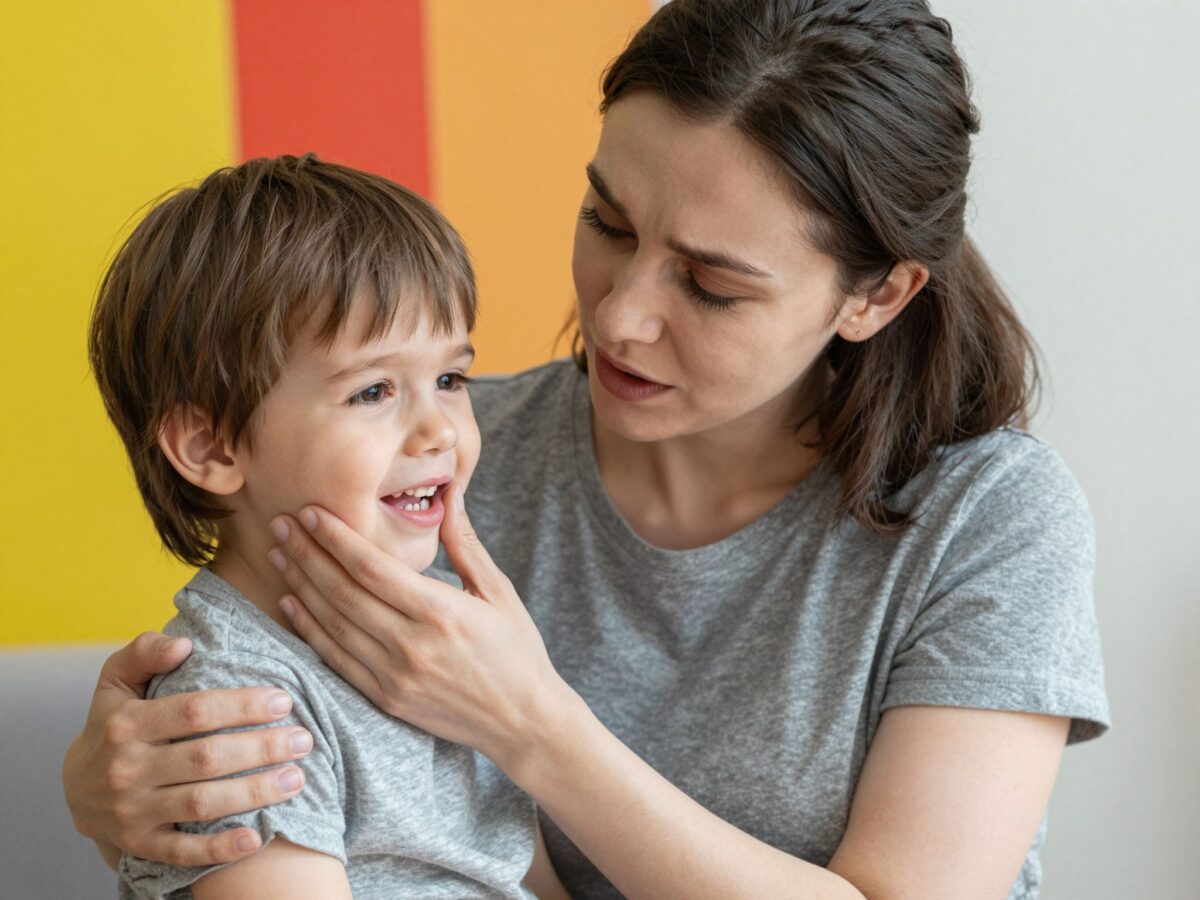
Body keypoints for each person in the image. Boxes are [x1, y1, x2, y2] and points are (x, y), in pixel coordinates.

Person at [64, 2, 1110, 898]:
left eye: (711, 285)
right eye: (608, 223)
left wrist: (533, 726)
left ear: (877, 295)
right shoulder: (428, 474)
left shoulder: (987, 521)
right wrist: (111, 789)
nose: (618, 319)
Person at [83, 154, 567, 899]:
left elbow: (522, 878)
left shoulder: (453, 639)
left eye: (449, 379)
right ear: (212, 447)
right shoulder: (239, 704)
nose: (440, 429)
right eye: (373, 391)